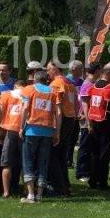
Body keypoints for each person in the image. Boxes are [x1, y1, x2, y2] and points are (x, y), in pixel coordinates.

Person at [19, 69, 62, 203]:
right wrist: (57, 131)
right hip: (48, 131)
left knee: (28, 161)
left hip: (32, 130)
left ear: (35, 79)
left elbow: (25, 108)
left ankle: (31, 194)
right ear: (47, 80)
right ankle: (40, 194)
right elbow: (59, 113)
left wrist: (21, 127)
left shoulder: (29, 89)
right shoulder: (53, 92)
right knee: (43, 162)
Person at [86, 62, 110, 190]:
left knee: (94, 152)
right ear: (109, 72)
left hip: (94, 120)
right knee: (104, 153)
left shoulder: (93, 86)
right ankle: (102, 182)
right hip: (105, 122)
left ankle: (92, 180)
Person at [47, 60, 77, 196]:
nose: (48, 72)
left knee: (53, 154)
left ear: (56, 69)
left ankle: (57, 186)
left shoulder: (56, 84)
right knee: (61, 155)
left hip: (62, 120)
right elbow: (76, 102)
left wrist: (56, 131)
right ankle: (65, 185)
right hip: (70, 119)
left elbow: (57, 107)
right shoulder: (69, 82)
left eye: (49, 69)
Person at [0, 79, 25, 198]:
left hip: (10, 129)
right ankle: (26, 191)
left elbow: (1, 113)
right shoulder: (28, 94)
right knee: (25, 162)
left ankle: (6, 191)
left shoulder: (7, 95)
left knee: (6, 162)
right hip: (24, 131)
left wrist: (0, 130)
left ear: (15, 86)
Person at [75, 63, 100, 182]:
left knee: (88, 146)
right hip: (86, 120)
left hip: (89, 118)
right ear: (97, 71)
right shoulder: (88, 85)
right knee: (84, 146)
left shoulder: (91, 84)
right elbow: (84, 104)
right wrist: (88, 121)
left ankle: (88, 170)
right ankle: (82, 172)